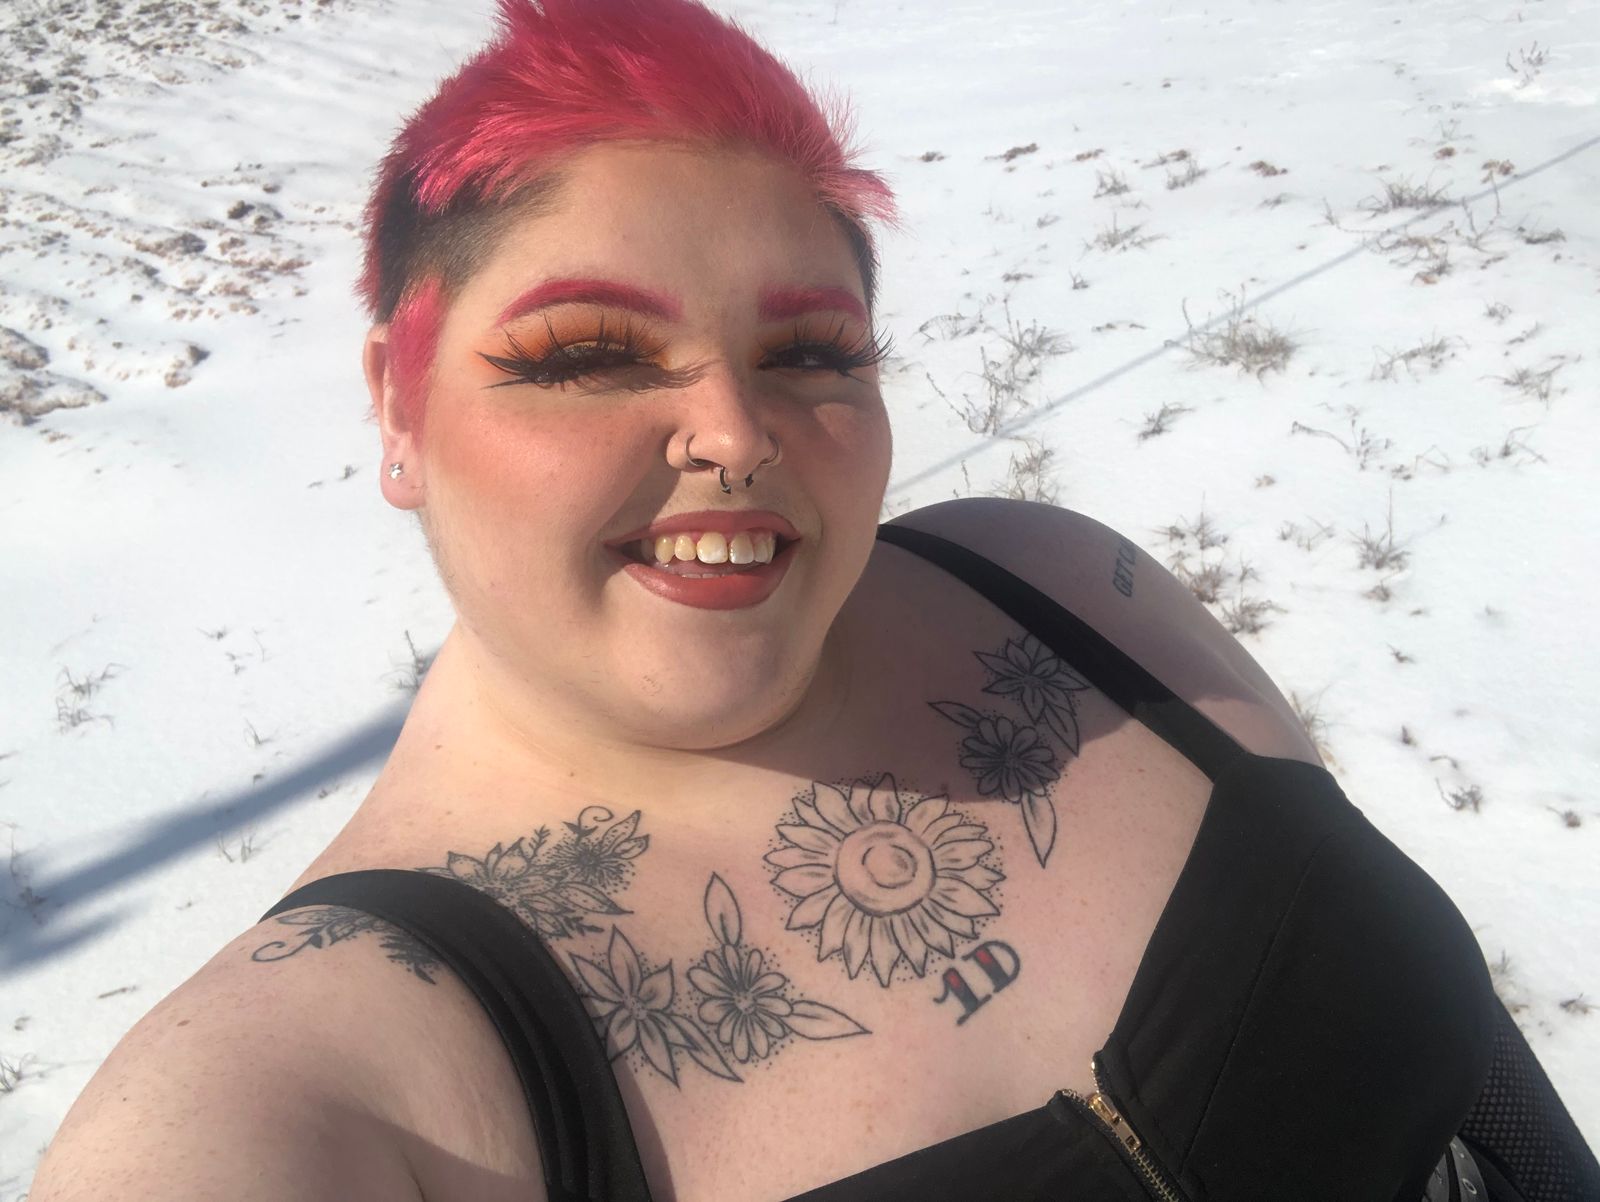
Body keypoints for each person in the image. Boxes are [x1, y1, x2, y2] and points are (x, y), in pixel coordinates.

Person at [30, 1, 1598, 1199]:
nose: (733, 431)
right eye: (589, 352)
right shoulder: (319, 1092)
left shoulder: (1066, 590)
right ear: (398, 401)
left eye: (809, 352)